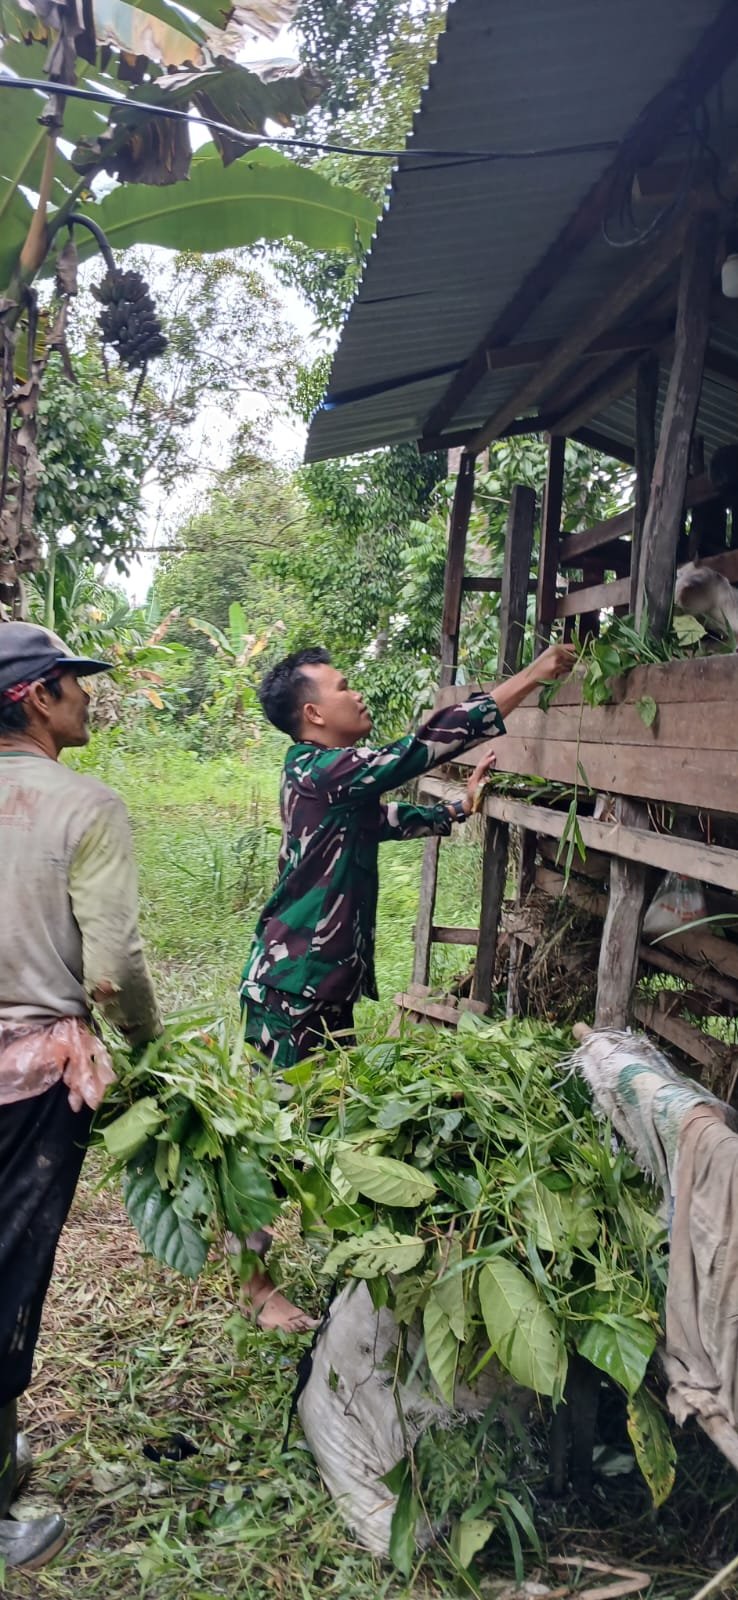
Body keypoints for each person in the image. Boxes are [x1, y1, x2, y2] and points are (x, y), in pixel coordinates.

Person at [239, 640, 575, 1330]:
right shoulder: (325, 769)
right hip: (293, 986)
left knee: (325, 1122)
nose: (355, 694)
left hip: (319, 984)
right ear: (313, 713)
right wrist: (532, 676)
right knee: (277, 1133)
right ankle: (255, 1285)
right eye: (342, 687)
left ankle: (337, 1257)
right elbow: (421, 749)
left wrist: (456, 811)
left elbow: (380, 821)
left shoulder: (326, 779)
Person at [0, 622, 161, 1570]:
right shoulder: (86, 806)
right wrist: (148, 1046)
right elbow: (113, 972)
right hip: (29, 1082)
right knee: (10, 1272)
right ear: (34, 698)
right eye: (73, 682)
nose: (87, 696)